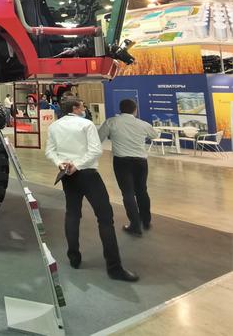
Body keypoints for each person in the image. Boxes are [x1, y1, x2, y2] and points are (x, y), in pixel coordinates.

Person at [45, 97, 139, 282]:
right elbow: (96, 150)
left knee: (72, 214)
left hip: (67, 175)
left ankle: (74, 257)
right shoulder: (86, 124)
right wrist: (78, 165)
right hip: (88, 174)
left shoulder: (54, 126)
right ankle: (114, 268)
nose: (84, 108)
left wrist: (61, 163)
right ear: (75, 108)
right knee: (105, 218)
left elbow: (50, 151)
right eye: (82, 106)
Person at [98, 99, 158, 235]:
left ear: (120, 109)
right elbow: (154, 135)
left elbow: (99, 138)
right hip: (141, 162)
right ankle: (146, 221)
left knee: (128, 192)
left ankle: (135, 225)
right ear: (135, 110)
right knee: (142, 190)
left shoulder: (111, 122)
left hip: (122, 162)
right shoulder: (143, 124)